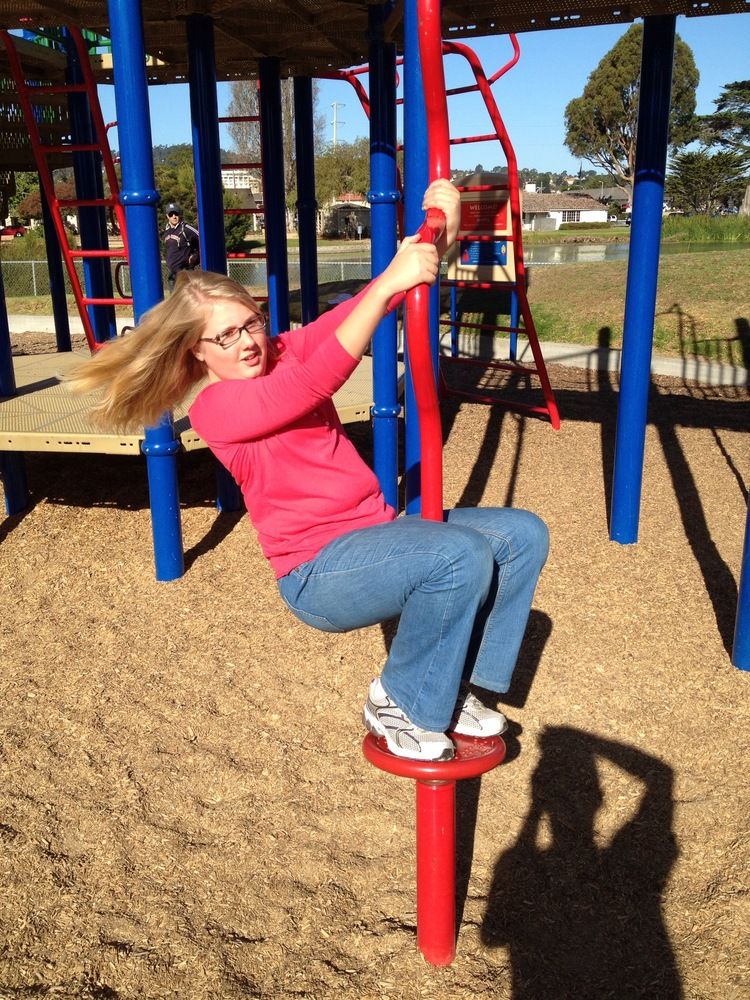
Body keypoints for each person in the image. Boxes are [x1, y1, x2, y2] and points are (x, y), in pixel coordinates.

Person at [67, 179, 548, 763]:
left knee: (521, 536)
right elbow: (315, 382)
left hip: (376, 532)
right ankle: (398, 700)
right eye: (223, 336)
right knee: (459, 555)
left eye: (250, 323)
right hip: (318, 573)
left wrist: (437, 236)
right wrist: (392, 279)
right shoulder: (215, 408)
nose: (246, 342)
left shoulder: (281, 350)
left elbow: (367, 303)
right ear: (196, 349)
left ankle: (444, 690)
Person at [163, 202, 200, 291]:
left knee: (188, 300)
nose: (174, 216)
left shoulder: (186, 229)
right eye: (171, 214)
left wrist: (195, 255)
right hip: (172, 274)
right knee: (175, 302)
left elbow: (202, 240)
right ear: (167, 216)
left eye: (176, 213)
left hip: (186, 273)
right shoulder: (166, 232)